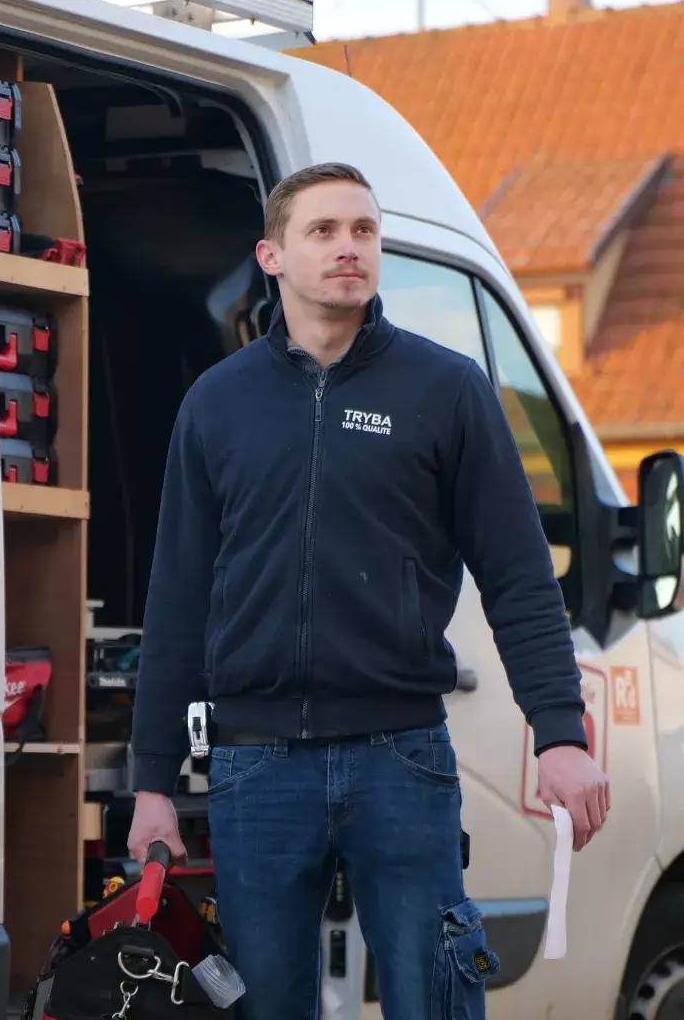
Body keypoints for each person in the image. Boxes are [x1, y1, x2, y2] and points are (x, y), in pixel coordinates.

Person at [126, 162, 610, 1019]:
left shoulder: (447, 390)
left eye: (363, 230)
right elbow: (178, 599)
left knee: (436, 997)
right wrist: (153, 781)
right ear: (272, 256)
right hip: (256, 766)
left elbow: (519, 575)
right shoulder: (216, 405)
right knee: (262, 1006)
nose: (348, 247)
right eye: (323, 231)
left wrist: (561, 732)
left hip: (401, 758)